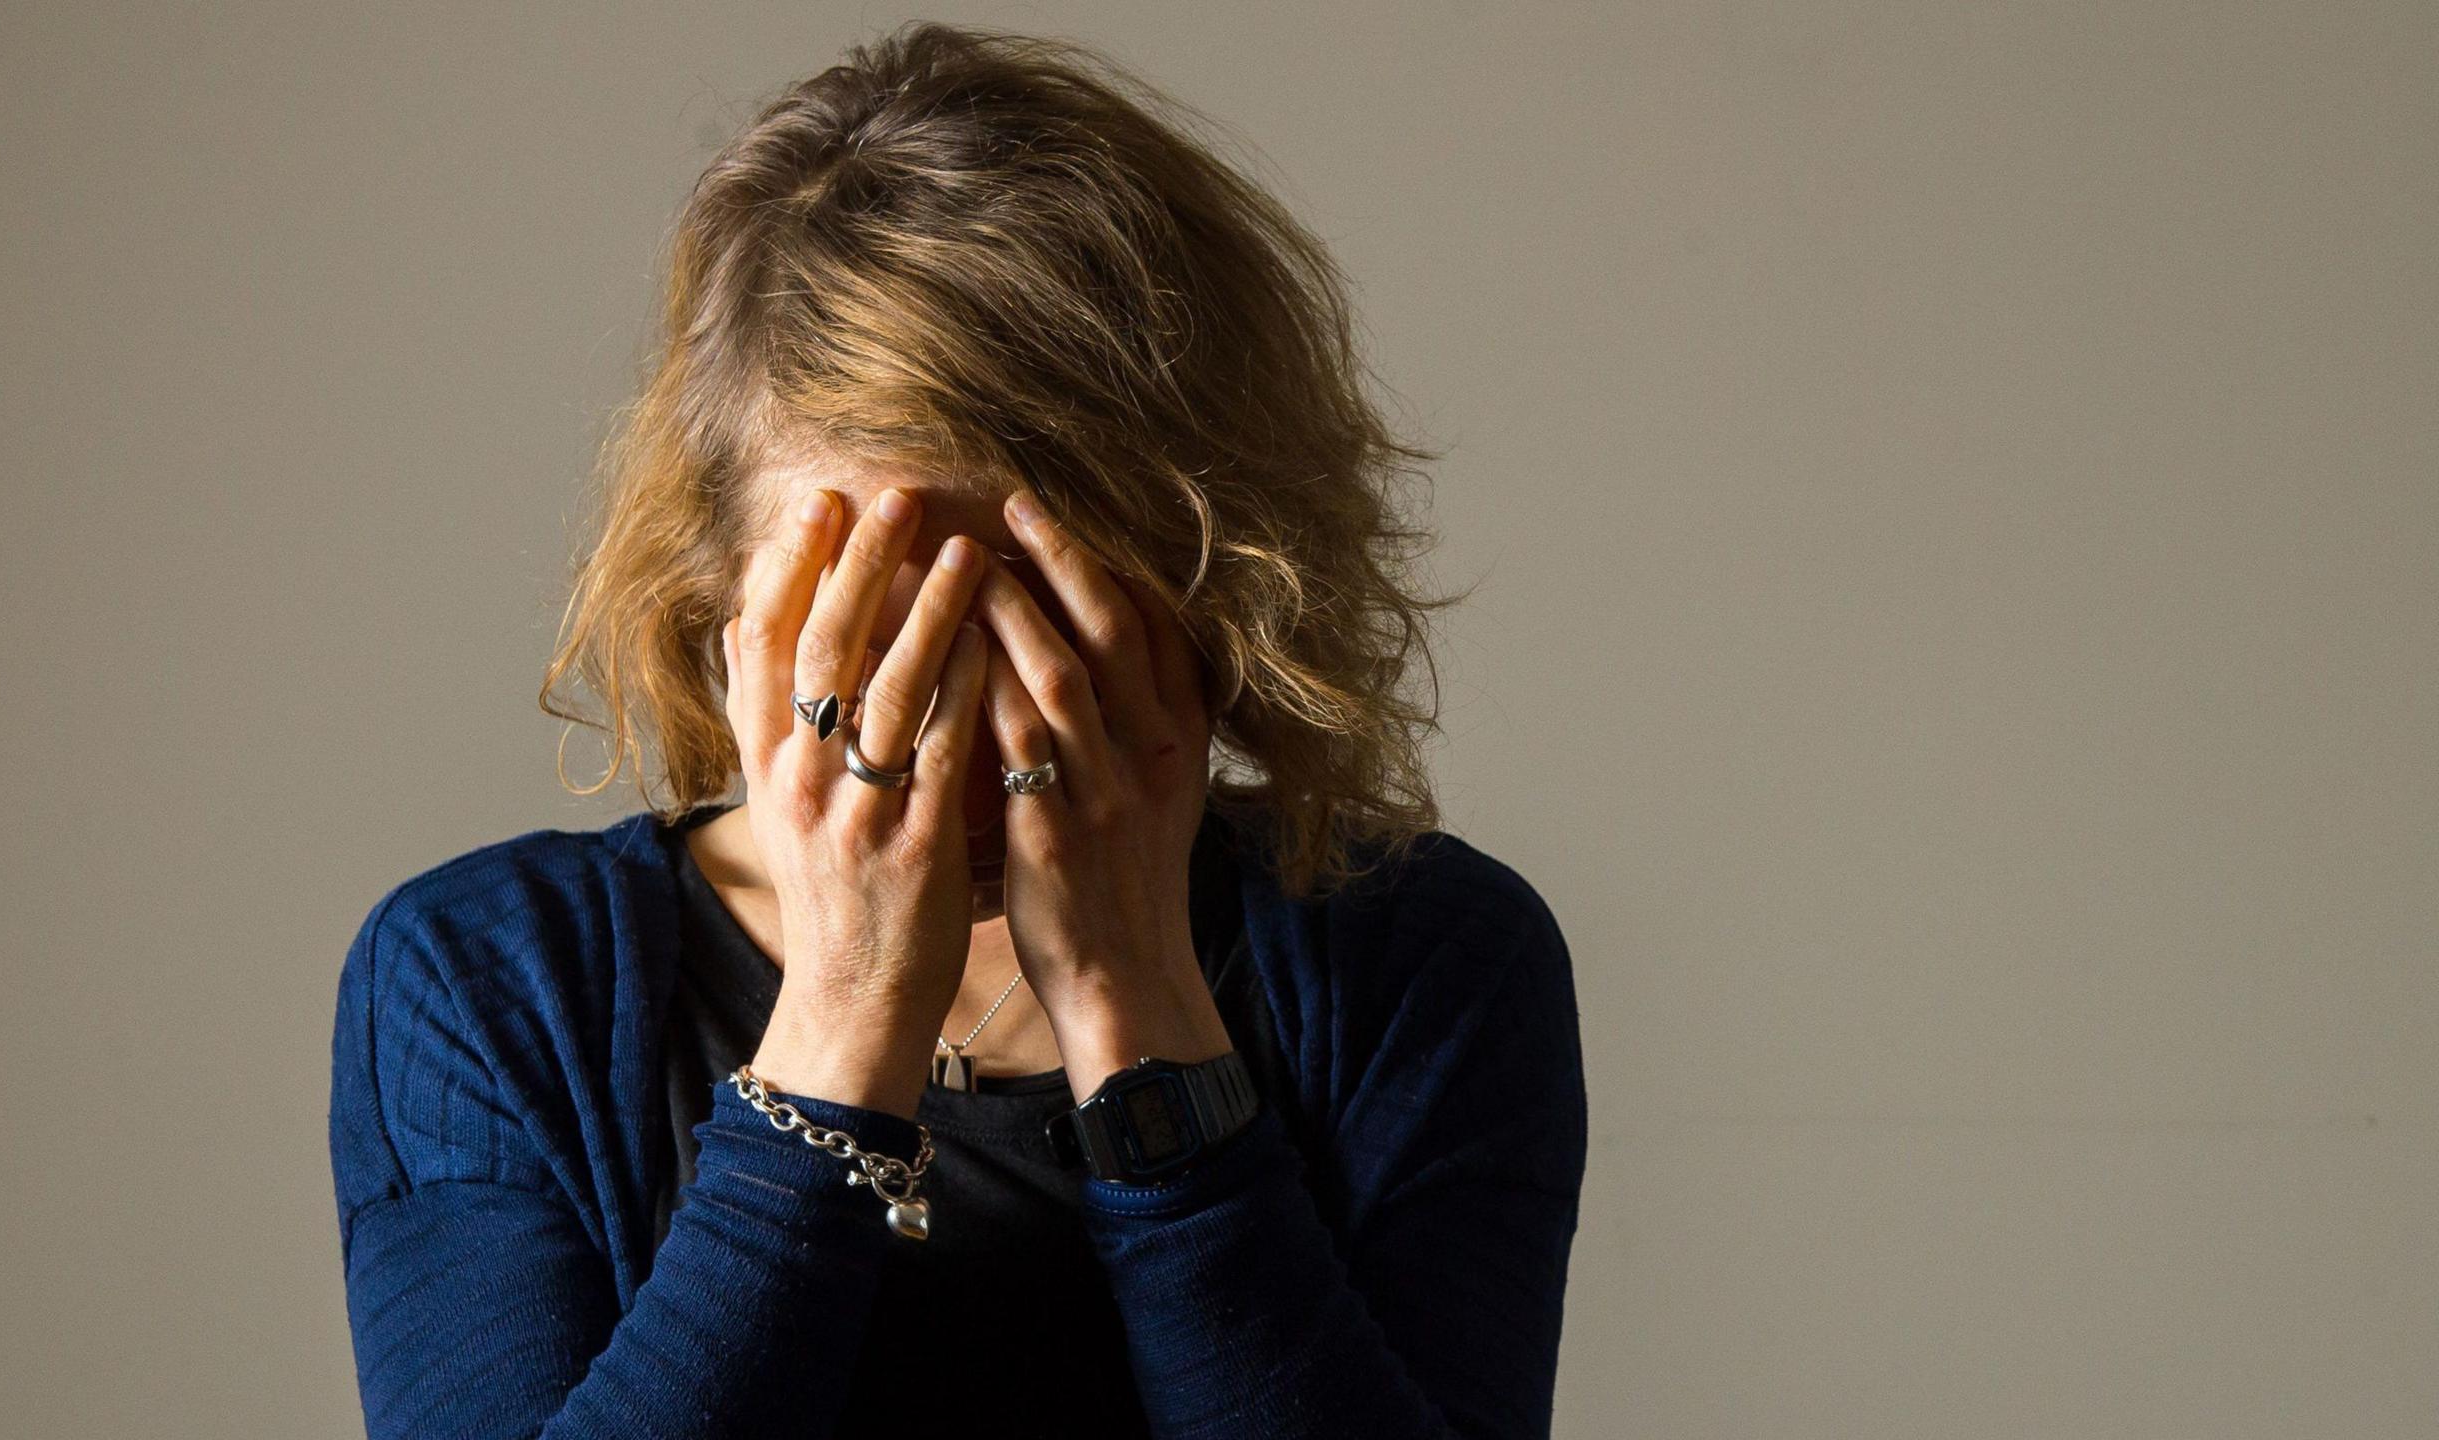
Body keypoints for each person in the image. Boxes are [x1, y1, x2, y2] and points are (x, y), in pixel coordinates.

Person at [327, 21, 1587, 1439]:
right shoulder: (486, 987)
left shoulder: (1419, 962)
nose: (965, 731)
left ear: (1207, 588)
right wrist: (845, 1019)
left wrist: (1137, 1010)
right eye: (877, 627)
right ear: (719, 598)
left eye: (1046, 627)